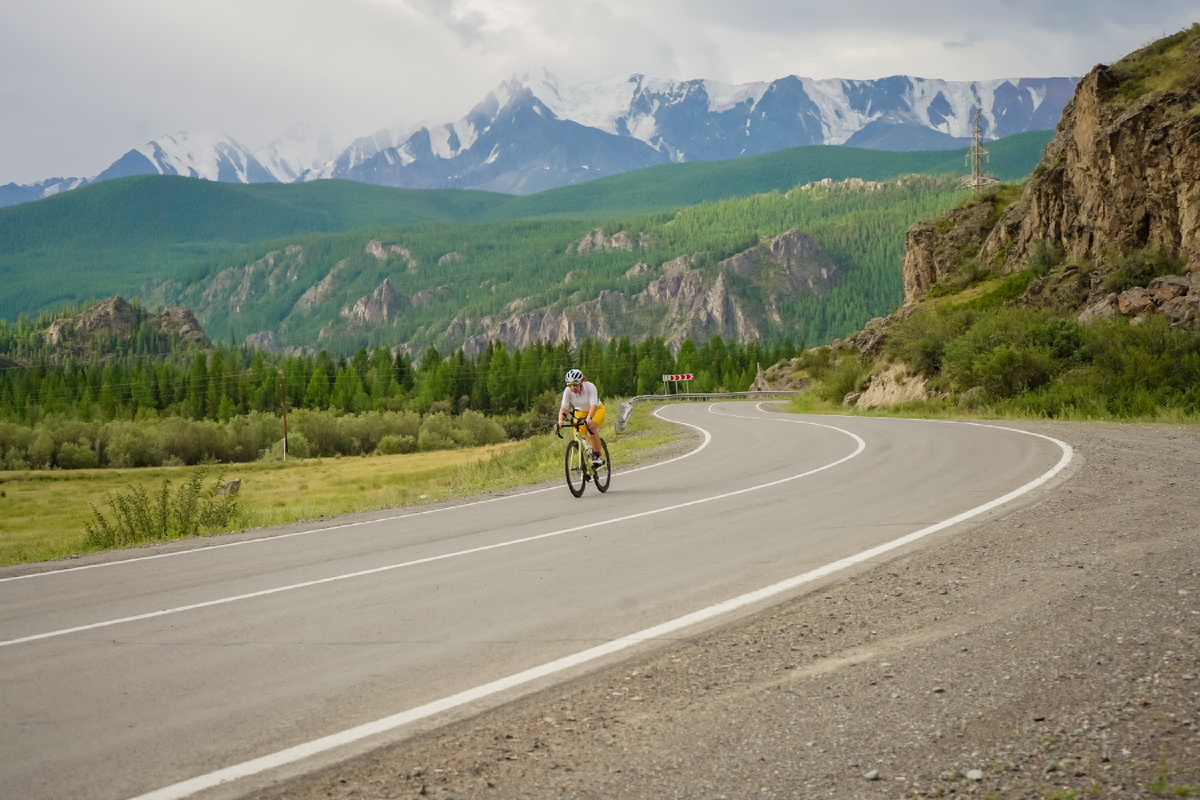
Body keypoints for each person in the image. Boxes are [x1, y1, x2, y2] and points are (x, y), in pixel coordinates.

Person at [555, 368, 606, 467]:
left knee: (591, 427)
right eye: (570, 385)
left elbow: (593, 405)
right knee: (578, 437)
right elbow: (564, 408)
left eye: (575, 385)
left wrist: (589, 418)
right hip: (580, 412)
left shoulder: (590, 387)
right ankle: (583, 463)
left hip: (596, 410)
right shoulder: (568, 391)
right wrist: (560, 421)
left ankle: (598, 456)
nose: (573, 388)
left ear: (581, 382)